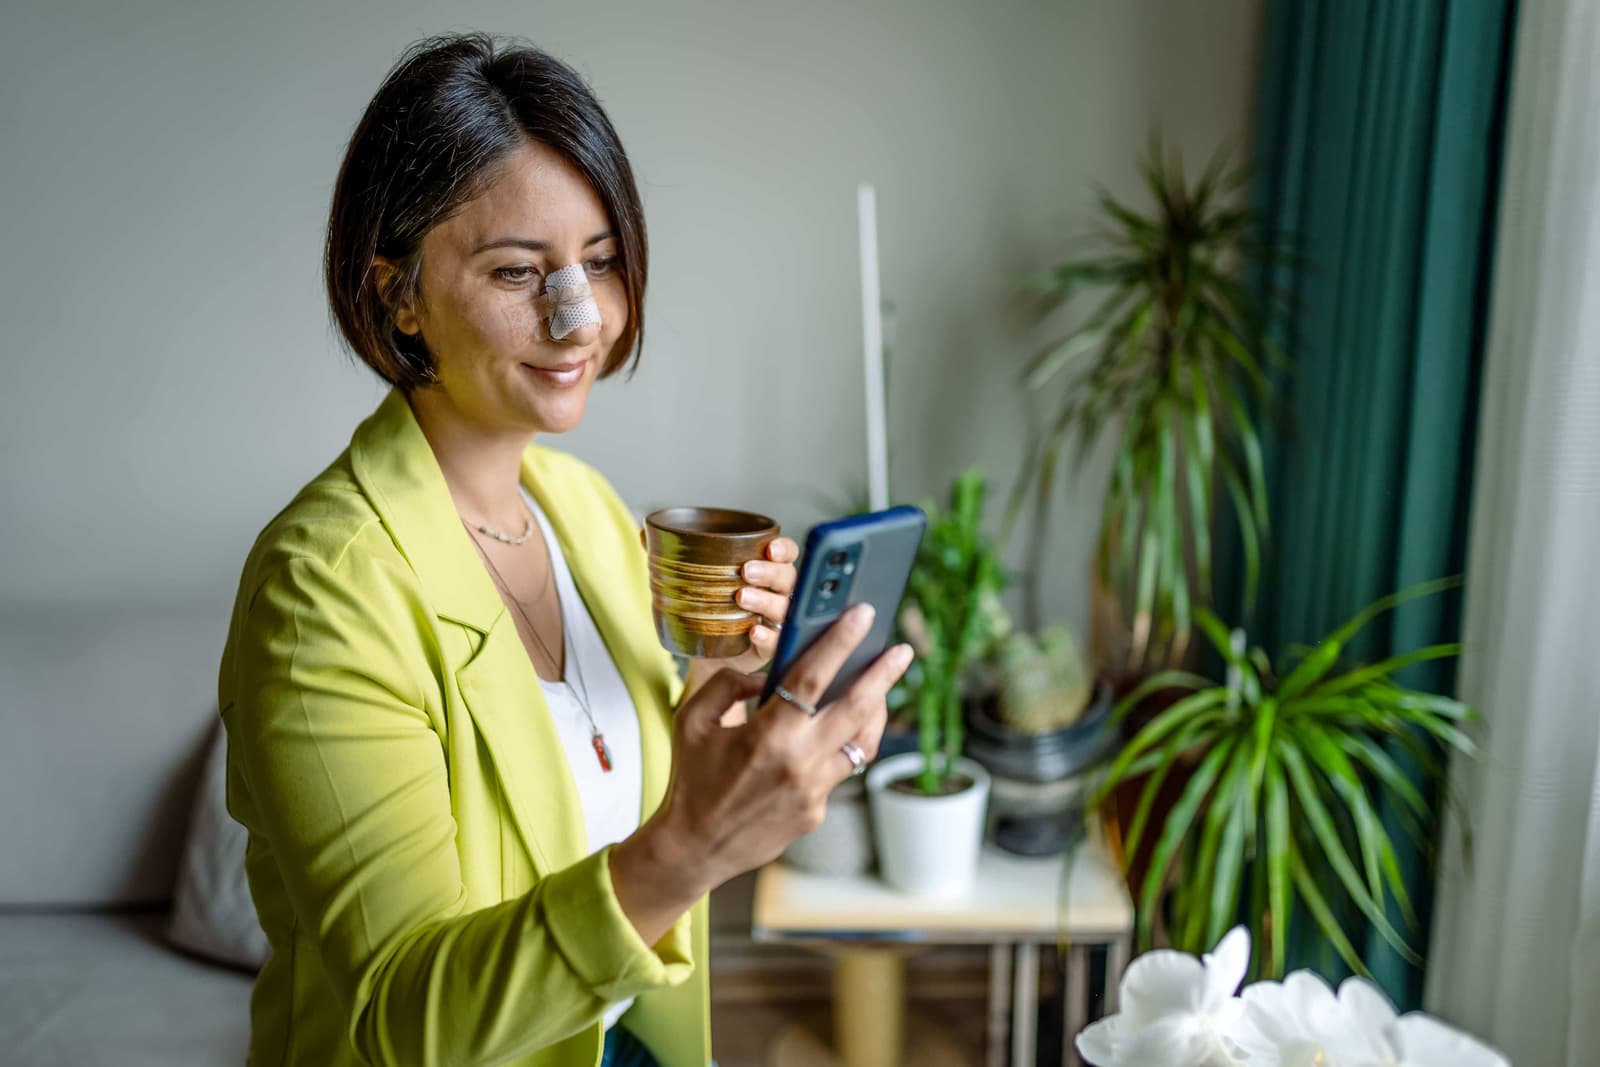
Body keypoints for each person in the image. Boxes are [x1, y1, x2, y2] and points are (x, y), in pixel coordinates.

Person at [217, 32, 911, 1067]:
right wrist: (692, 846)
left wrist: (738, 695)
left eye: (600, 261)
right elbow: (408, 1019)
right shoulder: (318, 591)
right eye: (516, 270)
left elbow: (622, 801)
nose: (579, 318)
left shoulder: (583, 510)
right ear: (397, 293)